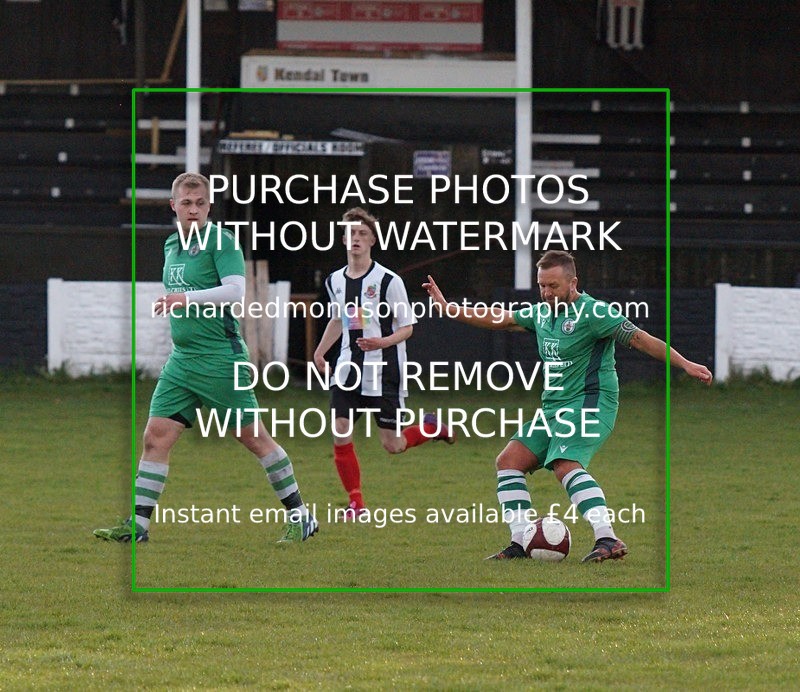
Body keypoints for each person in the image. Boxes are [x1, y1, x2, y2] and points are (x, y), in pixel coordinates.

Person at [423, 250, 712, 562]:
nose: (547, 293)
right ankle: (521, 542)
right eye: (542, 286)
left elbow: (640, 339)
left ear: (573, 282)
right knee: (509, 461)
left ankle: (607, 538)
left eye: (553, 286)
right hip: (554, 407)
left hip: (591, 403)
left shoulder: (595, 313)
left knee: (565, 464)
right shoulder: (542, 314)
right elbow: (500, 317)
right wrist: (448, 307)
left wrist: (684, 363)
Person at [94, 172, 317, 544]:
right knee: (156, 437)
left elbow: (234, 292)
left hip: (220, 359)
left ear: (209, 207)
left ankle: (301, 516)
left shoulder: (222, 241)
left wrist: (185, 300)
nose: (193, 210)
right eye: (186, 203)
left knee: (253, 438)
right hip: (182, 360)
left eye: (200, 204)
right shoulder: (170, 245)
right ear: (174, 206)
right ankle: (138, 527)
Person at [313, 207, 454, 519]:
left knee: (393, 444)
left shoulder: (388, 281)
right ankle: (356, 504)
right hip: (348, 368)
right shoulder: (336, 280)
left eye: (363, 233)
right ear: (343, 239)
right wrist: (320, 352)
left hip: (385, 370)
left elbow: (407, 327)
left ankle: (430, 428)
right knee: (339, 429)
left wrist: (381, 342)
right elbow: (340, 318)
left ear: (373, 240)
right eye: (351, 233)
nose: (357, 239)